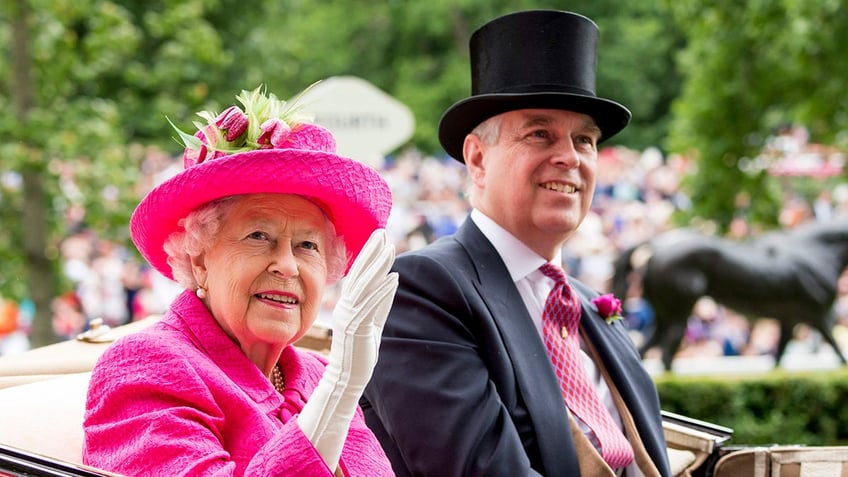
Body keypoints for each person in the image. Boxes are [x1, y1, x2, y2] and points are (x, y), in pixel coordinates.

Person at [361, 10, 673, 477]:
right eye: (540, 133)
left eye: (584, 139)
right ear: (478, 158)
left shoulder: (590, 306)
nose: (569, 157)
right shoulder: (419, 290)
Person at [83, 85, 398, 476]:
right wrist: (339, 390)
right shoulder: (144, 366)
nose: (287, 265)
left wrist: (336, 387)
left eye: (306, 245)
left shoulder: (316, 375)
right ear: (199, 258)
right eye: (258, 237)